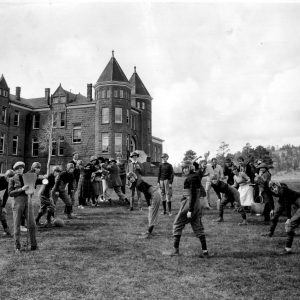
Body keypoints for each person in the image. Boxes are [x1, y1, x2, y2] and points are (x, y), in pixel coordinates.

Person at [167, 161, 210, 257]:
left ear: (190, 168)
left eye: (187, 168)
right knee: (198, 227)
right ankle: (205, 252)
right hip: (197, 204)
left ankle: (176, 251)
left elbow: (193, 194)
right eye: (183, 168)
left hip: (190, 204)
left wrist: (190, 210)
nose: (185, 170)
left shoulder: (191, 178)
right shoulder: (195, 176)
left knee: (177, 224)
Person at [8, 161, 38, 252]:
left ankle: (34, 245)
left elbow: (32, 187)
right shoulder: (12, 179)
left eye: (21, 168)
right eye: (17, 169)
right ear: (15, 170)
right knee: (17, 225)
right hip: (17, 203)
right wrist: (21, 189)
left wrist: (32, 189)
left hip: (28, 201)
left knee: (32, 224)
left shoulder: (28, 177)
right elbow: (10, 193)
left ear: (23, 169)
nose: (19, 170)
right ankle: (17, 246)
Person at [261, 181, 300, 248]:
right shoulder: (267, 189)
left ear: (278, 185)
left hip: (295, 199)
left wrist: (288, 218)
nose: (274, 189)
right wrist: (272, 209)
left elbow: (287, 203)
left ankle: (288, 247)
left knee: (293, 220)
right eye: (272, 189)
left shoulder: (283, 189)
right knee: (275, 215)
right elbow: (270, 199)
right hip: (283, 200)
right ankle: (270, 232)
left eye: (275, 187)